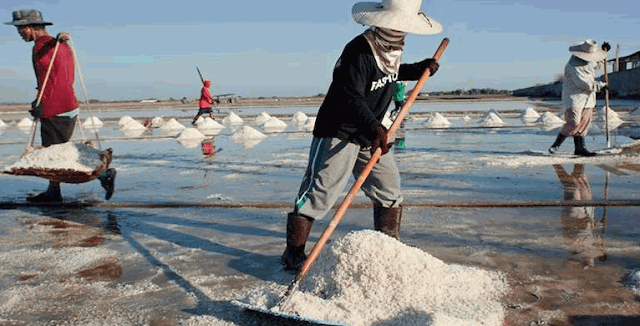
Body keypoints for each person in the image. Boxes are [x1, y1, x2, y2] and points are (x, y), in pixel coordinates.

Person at [281, 0, 443, 272]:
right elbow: (350, 94)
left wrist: (417, 70)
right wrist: (375, 127)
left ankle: (388, 249)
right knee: (319, 194)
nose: (400, 32)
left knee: (389, 189)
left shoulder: (392, 48)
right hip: (340, 131)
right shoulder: (359, 50)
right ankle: (293, 255)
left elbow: (388, 74)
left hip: (371, 131)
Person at [5, 9, 116, 202]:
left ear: (29, 28)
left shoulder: (44, 48)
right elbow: (57, 78)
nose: (19, 34)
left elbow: (51, 82)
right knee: (55, 152)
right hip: (66, 105)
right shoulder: (60, 46)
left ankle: (104, 176)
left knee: (56, 157)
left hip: (55, 108)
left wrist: (42, 103)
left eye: (20, 30)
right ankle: (53, 191)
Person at [548, 39, 610, 157]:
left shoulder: (589, 61)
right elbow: (584, 84)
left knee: (584, 122)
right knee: (574, 122)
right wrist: (601, 86)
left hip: (588, 97)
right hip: (574, 97)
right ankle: (556, 145)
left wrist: (604, 52)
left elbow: (595, 65)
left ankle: (580, 148)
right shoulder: (573, 66)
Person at [553, 164, 606, 269]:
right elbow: (589, 230)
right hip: (587, 212)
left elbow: (573, 227)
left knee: (573, 185)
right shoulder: (591, 246)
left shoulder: (572, 244)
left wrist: (584, 223)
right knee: (582, 183)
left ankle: (556, 163)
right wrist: (597, 225)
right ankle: (579, 160)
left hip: (574, 213)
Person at [390, 81, 407, 150]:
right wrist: (404, 84)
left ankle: (395, 115)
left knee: (398, 108)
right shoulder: (398, 84)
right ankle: (396, 115)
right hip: (399, 98)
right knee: (400, 108)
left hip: (399, 98)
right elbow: (400, 88)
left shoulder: (397, 84)